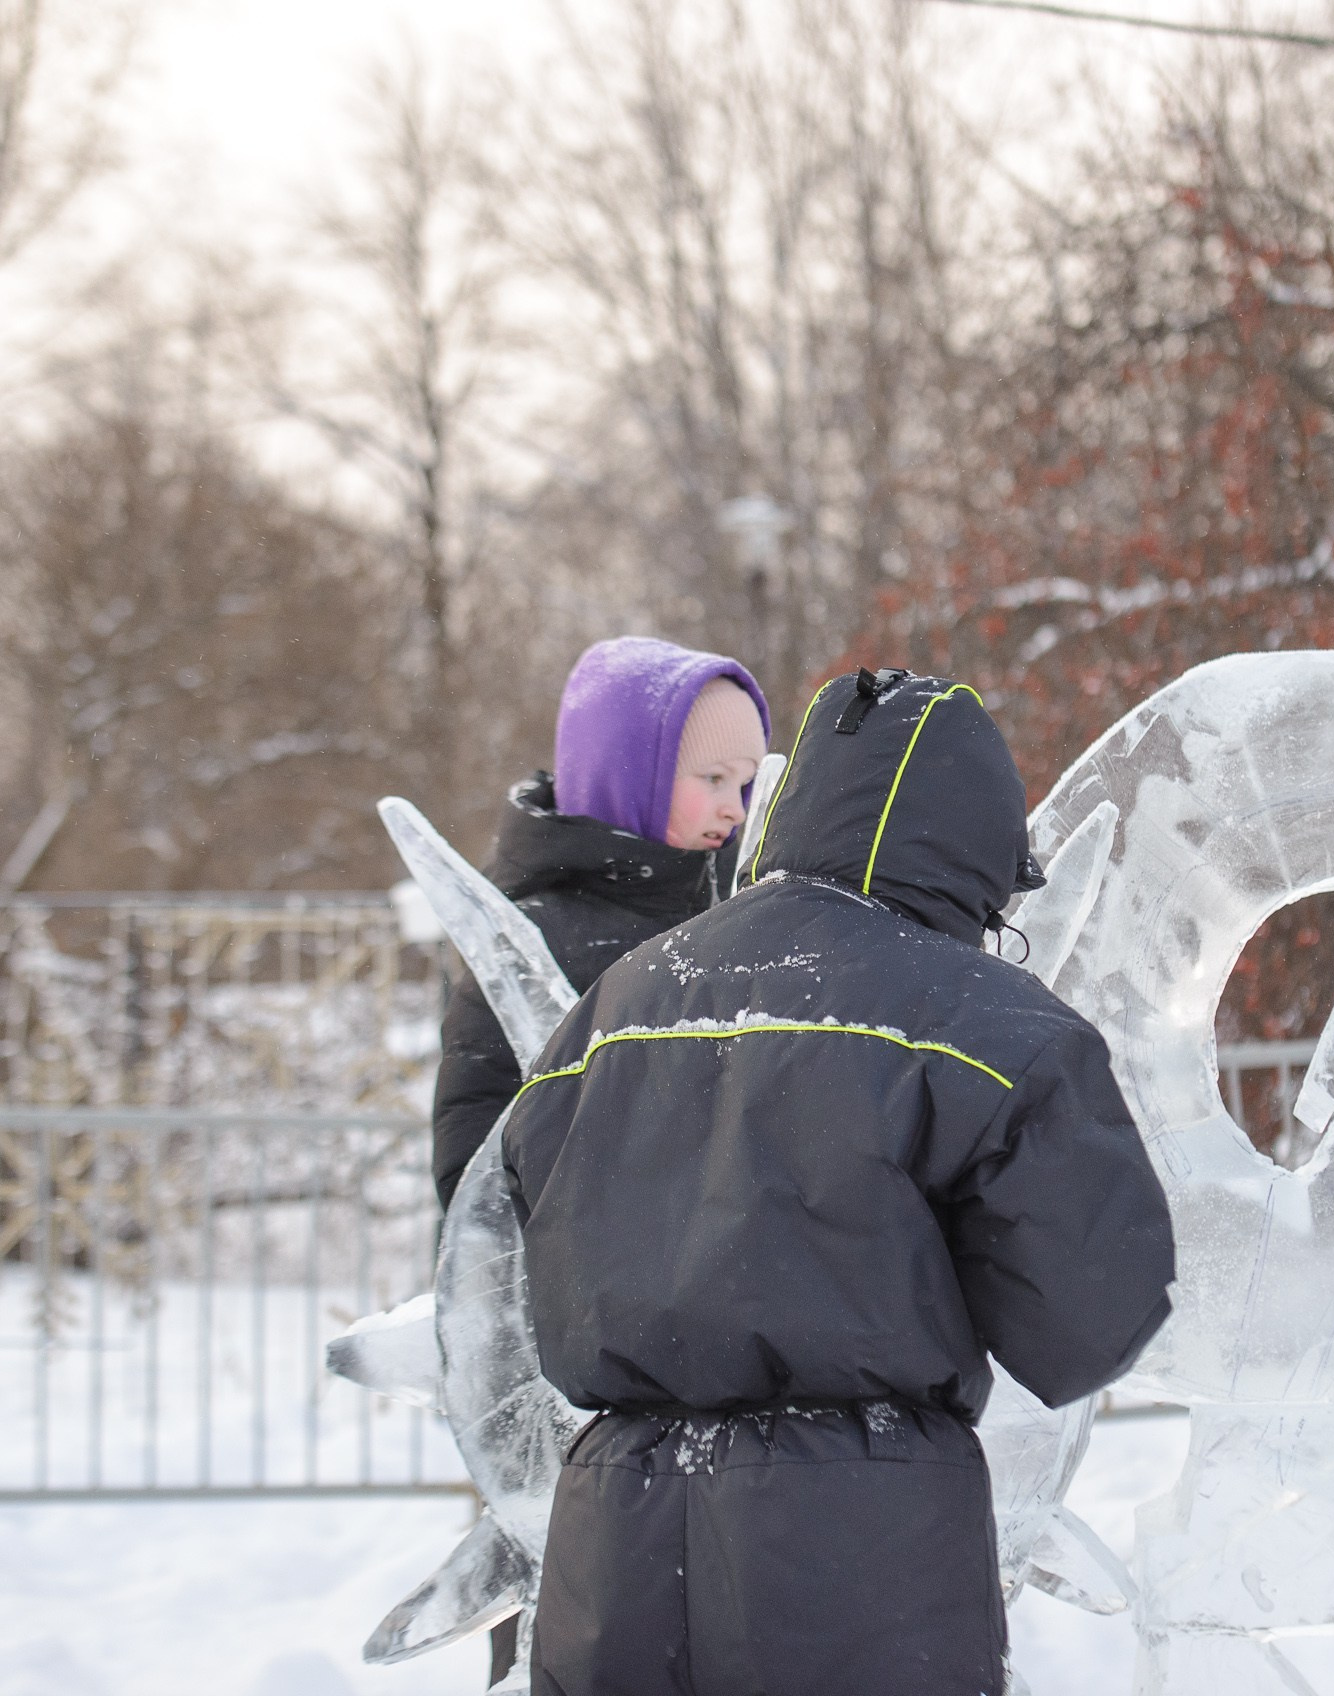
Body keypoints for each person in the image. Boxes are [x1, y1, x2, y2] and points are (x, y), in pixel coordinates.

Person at [503, 666, 1178, 1696]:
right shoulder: (988, 1024)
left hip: (612, 1538)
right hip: (857, 1553)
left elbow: (528, 1203)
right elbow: (1090, 1315)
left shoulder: (620, 1000)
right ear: (974, 850)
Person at [428, 635, 769, 1687]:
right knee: (568, 1598)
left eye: (747, 781)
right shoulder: (531, 929)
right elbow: (472, 1148)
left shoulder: (740, 912)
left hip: (711, 1335)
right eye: (707, 777)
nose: (732, 804)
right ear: (627, 773)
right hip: (561, 1347)